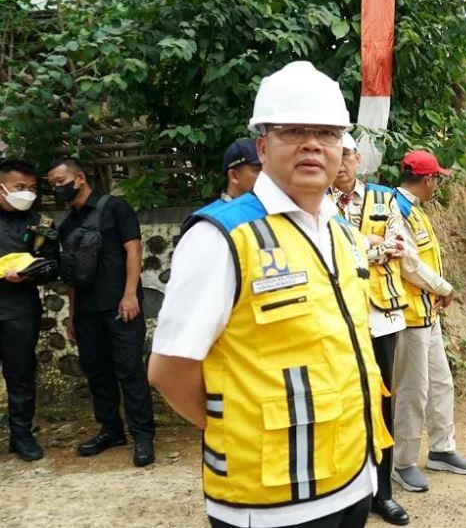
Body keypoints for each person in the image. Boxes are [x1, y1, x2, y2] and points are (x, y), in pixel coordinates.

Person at [148, 61, 392, 528]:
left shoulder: (342, 233)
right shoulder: (223, 236)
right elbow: (170, 370)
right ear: (263, 145)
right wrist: (238, 426)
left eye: (326, 132)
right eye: (292, 131)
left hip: (354, 476)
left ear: (343, 147)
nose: (312, 143)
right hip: (269, 500)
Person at [46, 157, 156, 467]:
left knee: (129, 371)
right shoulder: (67, 224)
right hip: (87, 311)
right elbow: (71, 273)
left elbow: (133, 249)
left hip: (121, 306)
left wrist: (130, 294)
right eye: (52, 184)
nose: (56, 187)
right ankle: (111, 431)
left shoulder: (115, 208)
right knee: (97, 372)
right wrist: (71, 312)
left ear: (79, 178)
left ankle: (143, 436)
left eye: (59, 181)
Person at [331, 135, 409, 525]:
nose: (341, 162)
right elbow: (329, 252)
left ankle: (384, 492)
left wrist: (357, 247)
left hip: (381, 315)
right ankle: (350, 490)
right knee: (344, 401)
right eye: (337, 154)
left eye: (347, 154)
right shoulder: (317, 202)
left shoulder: (385, 198)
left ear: (358, 158)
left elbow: (398, 245)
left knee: (383, 402)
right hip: (338, 316)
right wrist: (366, 245)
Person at [391, 150, 466, 493]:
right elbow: (408, 263)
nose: (438, 184)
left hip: (429, 313)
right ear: (428, 180)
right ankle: (403, 462)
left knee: (441, 383)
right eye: (437, 178)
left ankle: (442, 449)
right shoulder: (398, 211)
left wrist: (437, 292)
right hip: (410, 317)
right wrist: (443, 287)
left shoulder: (414, 210)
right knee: (413, 391)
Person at [0, 159, 58, 462]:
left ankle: (21, 435)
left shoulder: (41, 224)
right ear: (2, 186)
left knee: (20, 374)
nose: (27, 193)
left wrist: (30, 273)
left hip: (19, 308)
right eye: (19, 187)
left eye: (32, 188)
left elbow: (53, 264)